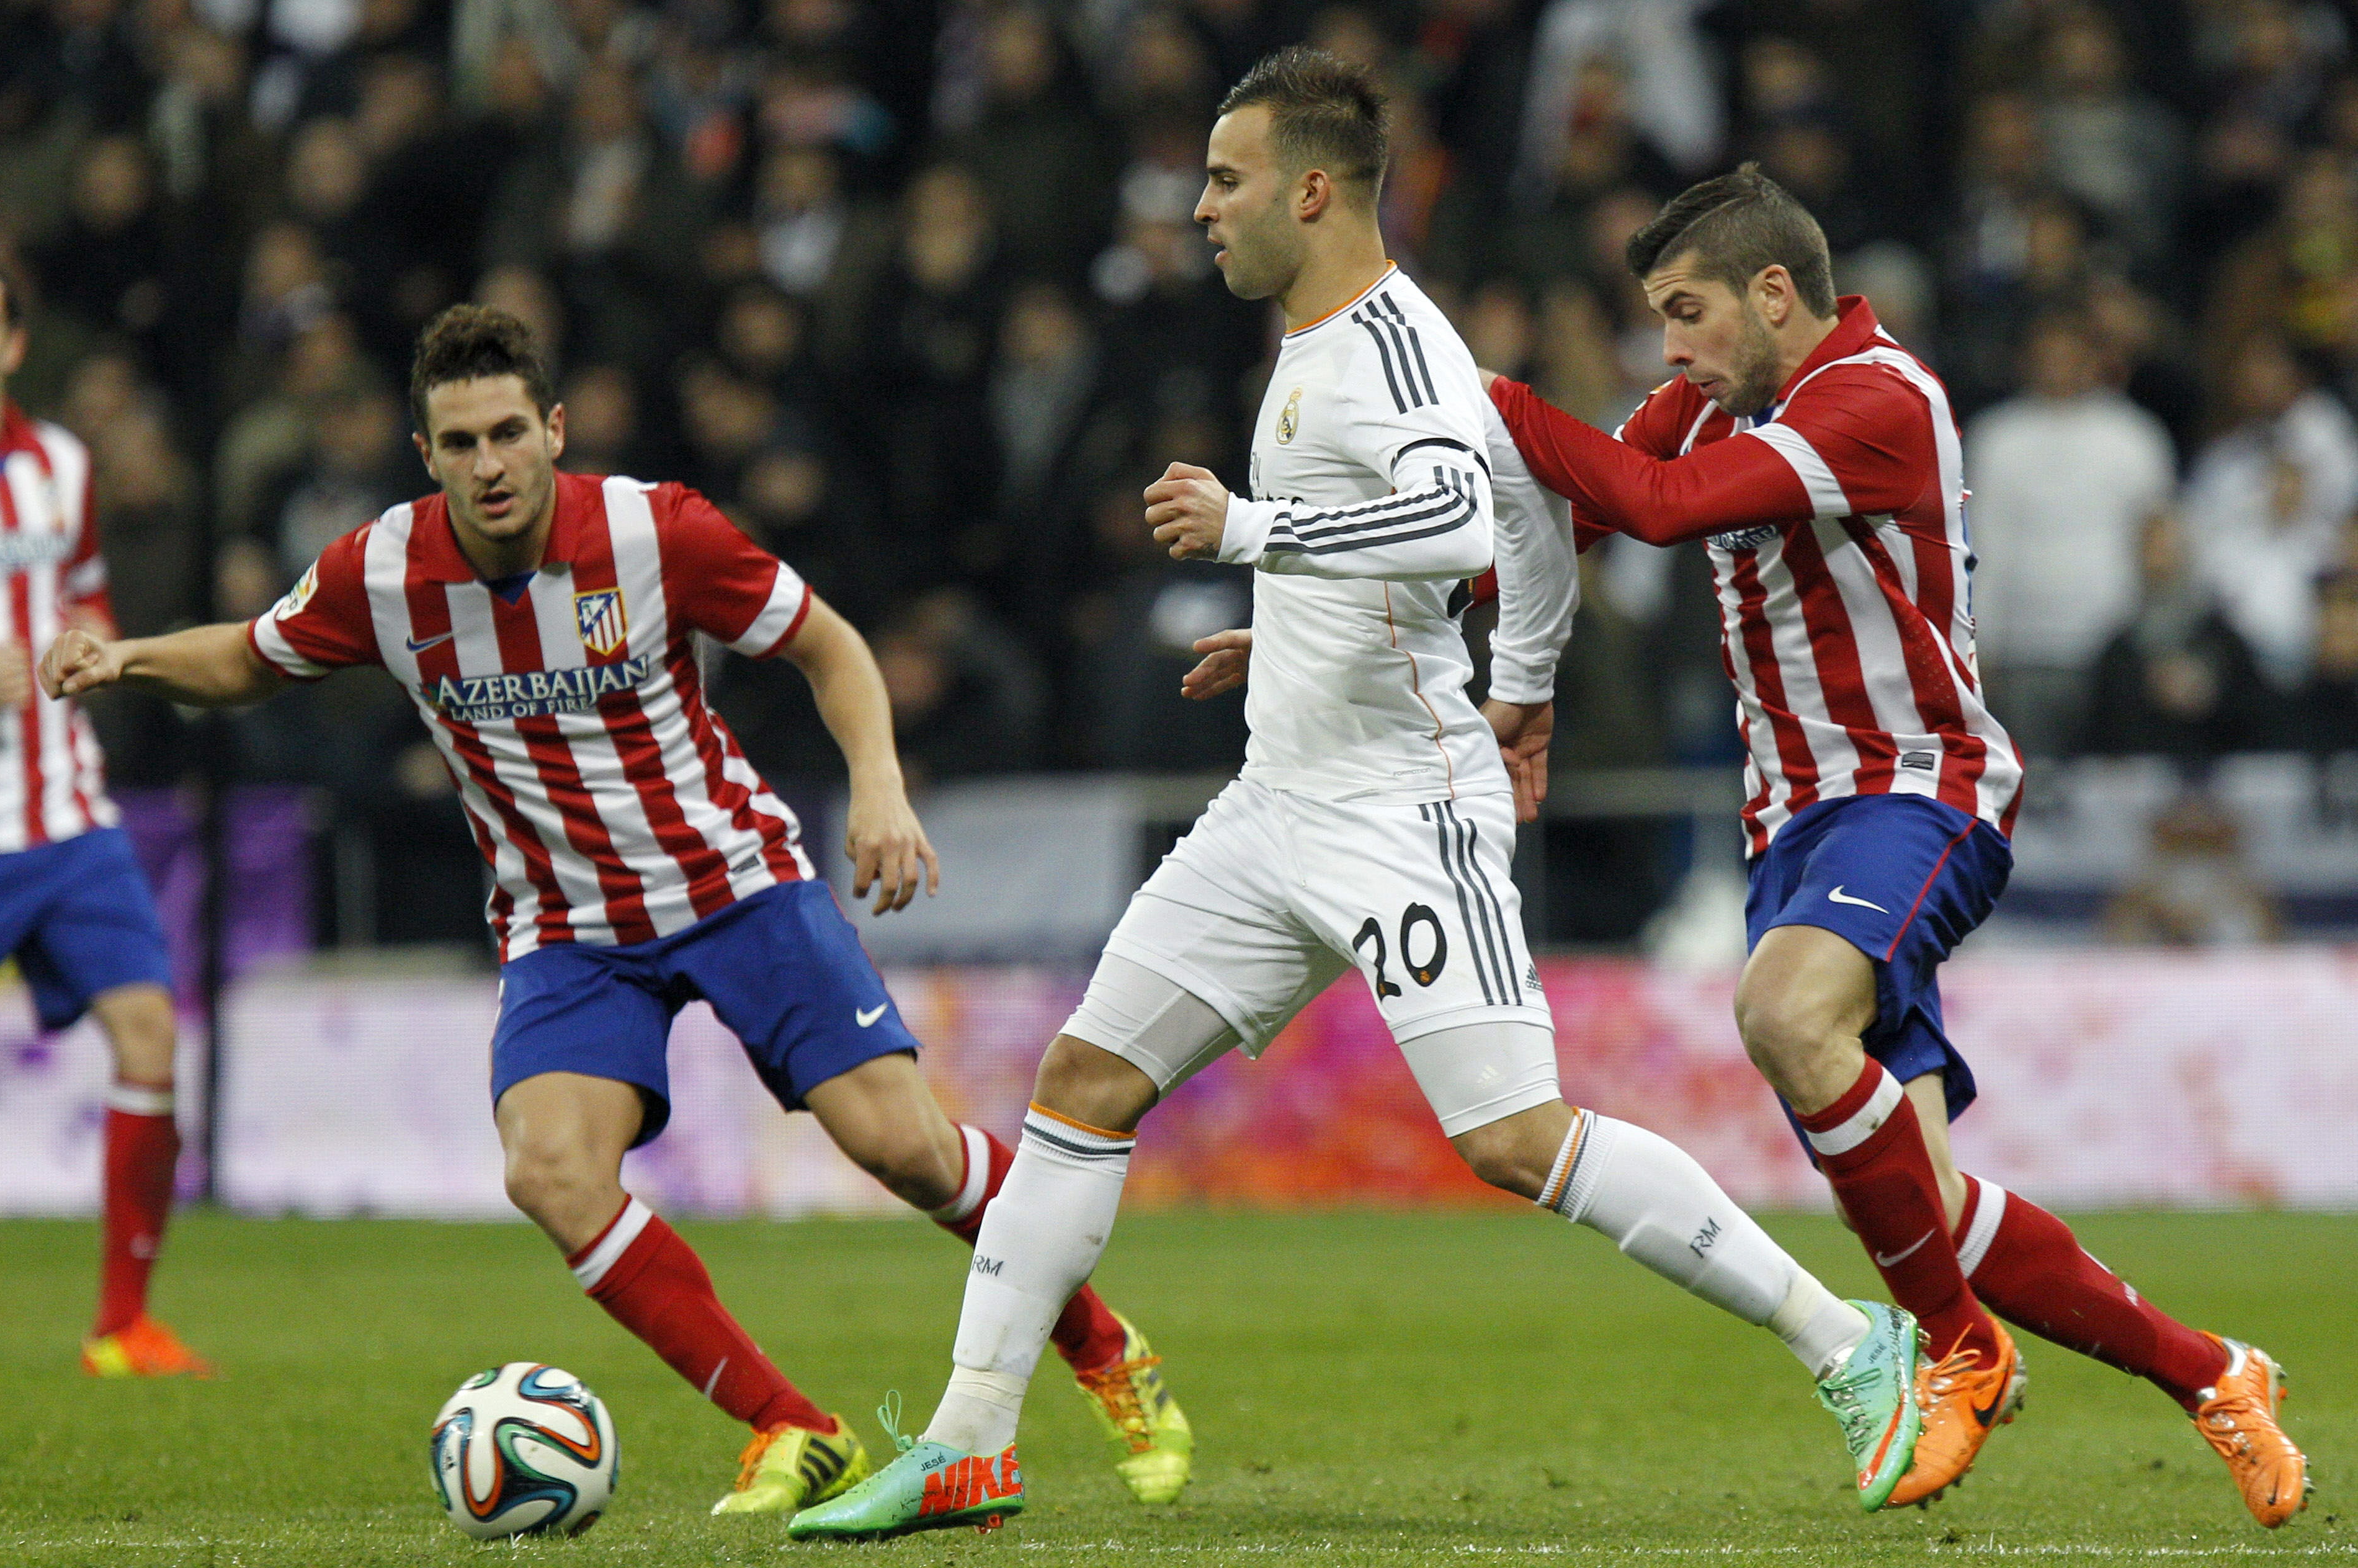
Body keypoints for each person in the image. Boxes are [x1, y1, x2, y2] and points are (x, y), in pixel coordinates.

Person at [792, 50, 1925, 1543]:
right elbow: (1491, 527)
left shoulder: (1396, 344)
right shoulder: (1317, 345)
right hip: (1277, 803)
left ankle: (1854, 1344)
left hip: (1401, 810)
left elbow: (1461, 506)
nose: (1201, 209)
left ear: (1312, 190)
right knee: (1080, 1086)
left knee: (1516, 1137)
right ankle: (969, 1442)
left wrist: (1256, 532)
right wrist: (1322, 629)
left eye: (1226, 179)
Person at [38, 304, 1184, 1520]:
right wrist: (126, 659)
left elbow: (834, 647)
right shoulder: (383, 571)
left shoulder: (653, 531)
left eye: (508, 433)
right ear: (427, 455)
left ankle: (1110, 1352)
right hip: (567, 926)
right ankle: (794, 1427)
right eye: (462, 442)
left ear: (555, 430)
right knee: (551, 1171)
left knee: (902, 1147)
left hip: (732, 882)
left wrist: (881, 789)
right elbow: (250, 659)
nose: (489, 464)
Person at [1481, 162, 2310, 1526]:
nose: (1668, 349)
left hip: (1915, 792)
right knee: (1924, 1197)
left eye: (1686, 313)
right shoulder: (1711, 399)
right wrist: (1311, 602)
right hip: (1793, 826)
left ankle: (1961, 1351)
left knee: (1786, 1016)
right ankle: (2215, 1373)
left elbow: (1655, 504)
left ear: (1772, 292)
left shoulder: (1877, 397)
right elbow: (1561, 517)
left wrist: (1487, 395)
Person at [0, 266, 206, 1380]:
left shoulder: (61, 469)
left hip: (66, 812)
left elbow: (85, 595)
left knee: (152, 1035)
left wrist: (90, 645)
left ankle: (123, 1325)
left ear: (14, 343)